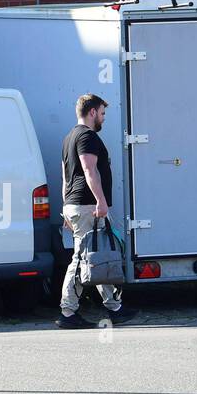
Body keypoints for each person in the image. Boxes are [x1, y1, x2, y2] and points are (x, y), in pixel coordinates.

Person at [57, 93, 139, 328]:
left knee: (99, 255)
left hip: (77, 205)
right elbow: (89, 170)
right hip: (87, 206)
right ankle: (68, 312)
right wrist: (101, 201)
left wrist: (65, 207)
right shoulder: (87, 137)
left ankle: (115, 307)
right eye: (102, 113)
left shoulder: (69, 137)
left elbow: (65, 177)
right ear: (92, 112)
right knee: (82, 257)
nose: (103, 118)